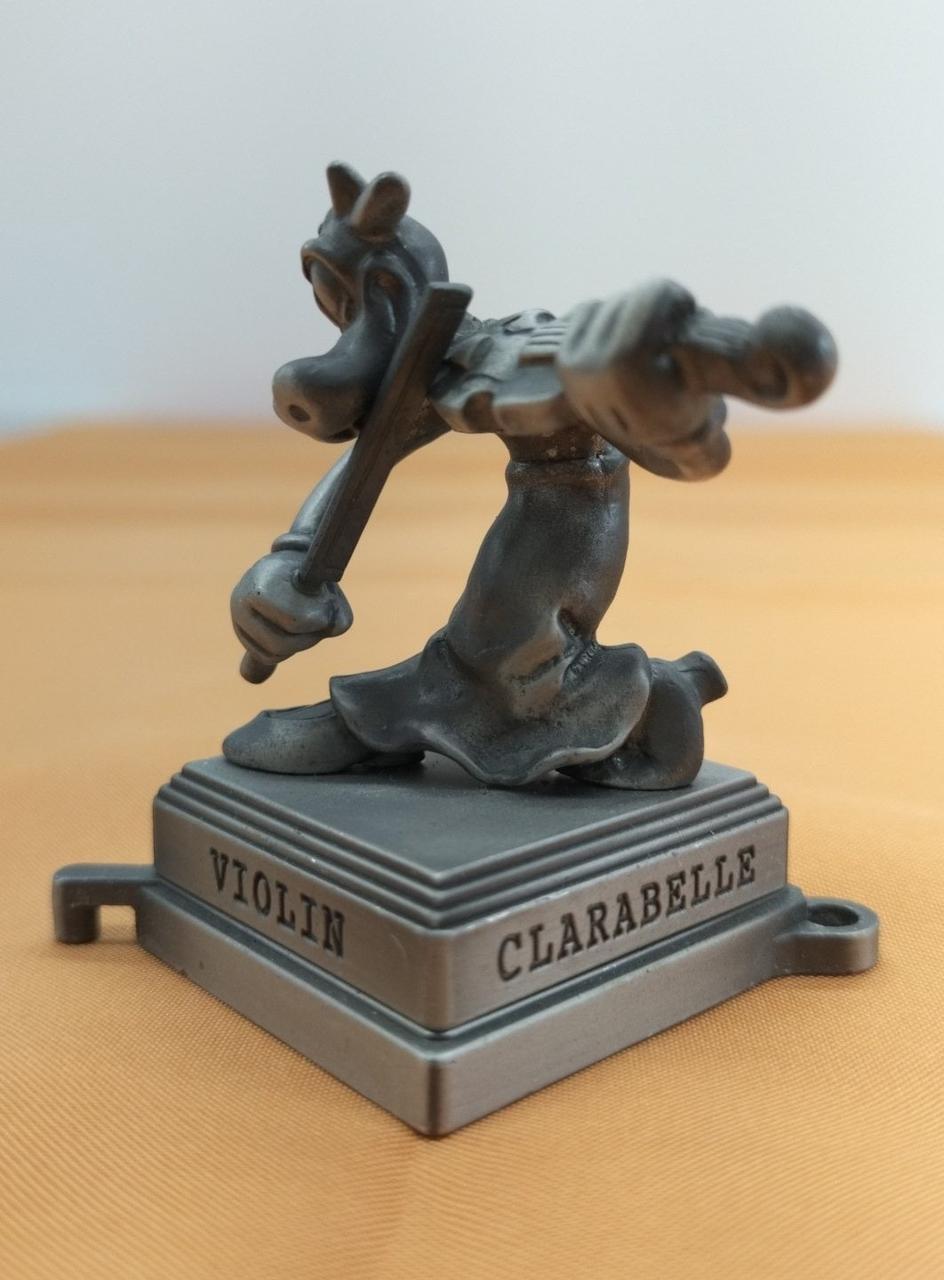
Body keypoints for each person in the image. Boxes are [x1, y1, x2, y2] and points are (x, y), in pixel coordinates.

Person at [224, 164, 836, 789]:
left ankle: (649, 697)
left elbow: (684, 460)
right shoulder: (451, 361)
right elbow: (365, 463)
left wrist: (667, 409)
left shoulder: (516, 347)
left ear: (387, 285)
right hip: (542, 526)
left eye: (352, 303)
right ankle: (624, 699)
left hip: (566, 530)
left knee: (505, 661)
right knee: (489, 655)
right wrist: (292, 554)